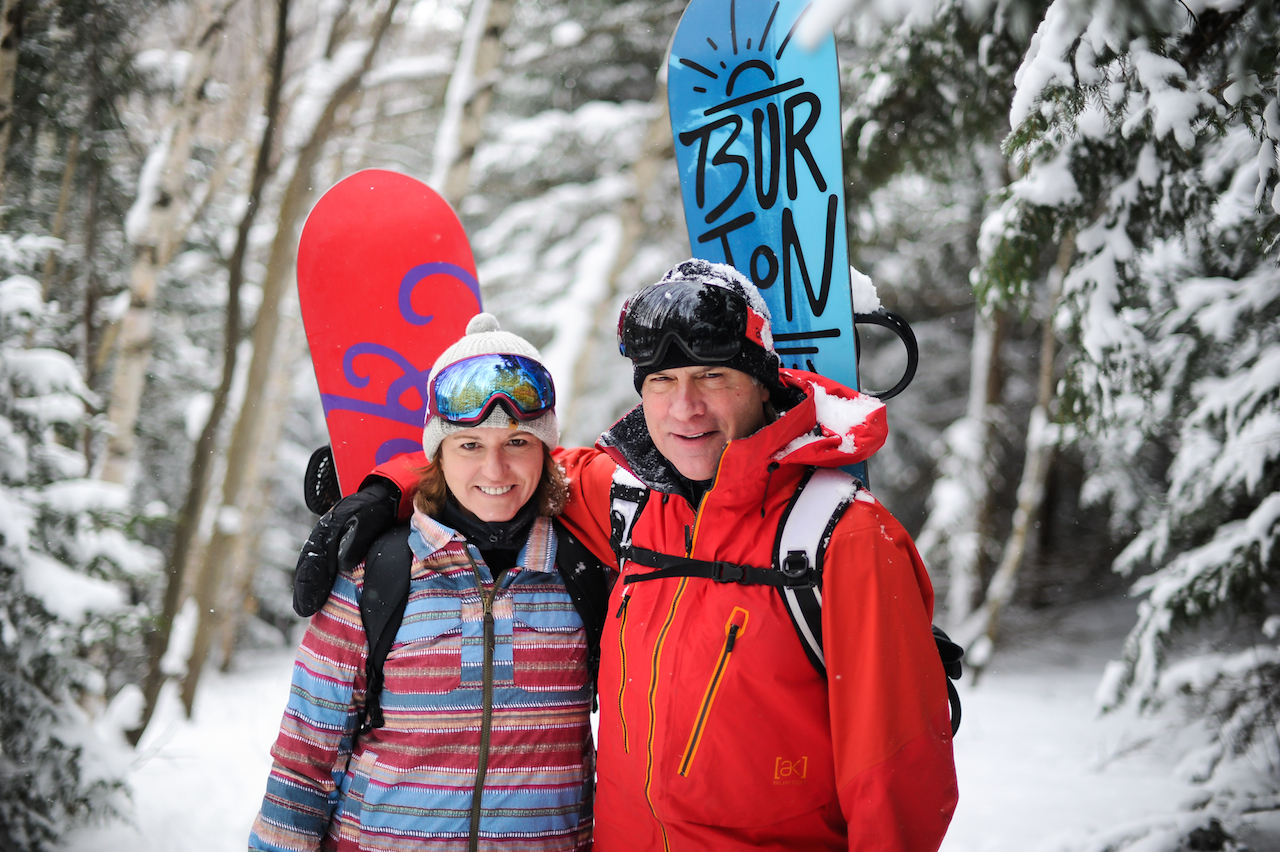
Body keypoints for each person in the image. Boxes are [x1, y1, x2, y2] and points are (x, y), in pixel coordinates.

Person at [301, 259, 959, 851]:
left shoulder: (843, 538)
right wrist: (390, 487)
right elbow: (508, 465)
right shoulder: (629, 502)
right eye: (663, 380)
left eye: (712, 376)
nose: (686, 407)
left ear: (764, 382)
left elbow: (898, 790)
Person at [250, 314, 597, 852]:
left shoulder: (584, 571)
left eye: (517, 442)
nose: (495, 469)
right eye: (469, 445)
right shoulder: (377, 571)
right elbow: (306, 754)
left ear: (546, 451)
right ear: (437, 454)